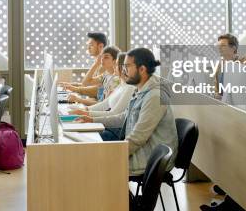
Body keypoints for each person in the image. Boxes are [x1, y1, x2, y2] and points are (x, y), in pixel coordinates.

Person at [78, 48, 178, 176]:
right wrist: (91, 119)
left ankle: (116, 195)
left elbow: (138, 138)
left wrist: (114, 154)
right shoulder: (140, 90)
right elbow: (123, 117)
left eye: (127, 66)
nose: (123, 70)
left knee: (94, 162)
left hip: (150, 159)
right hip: (141, 150)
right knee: (92, 156)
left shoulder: (155, 96)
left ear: (142, 69)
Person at [69, 53, 135, 118]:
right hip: (107, 120)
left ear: (124, 67)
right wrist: (85, 109)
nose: (114, 66)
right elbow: (104, 104)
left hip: (113, 126)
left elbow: (115, 113)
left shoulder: (129, 88)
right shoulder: (120, 85)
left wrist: (86, 113)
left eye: (116, 64)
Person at [214, 33, 240, 99]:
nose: (219, 48)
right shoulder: (219, 66)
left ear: (233, 48)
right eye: (218, 46)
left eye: (223, 46)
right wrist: (216, 94)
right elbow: (216, 88)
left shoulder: (242, 64)